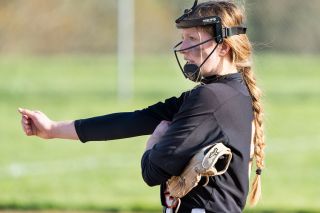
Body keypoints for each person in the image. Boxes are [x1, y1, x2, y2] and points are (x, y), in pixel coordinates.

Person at [19, 0, 266, 212]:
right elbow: (134, 120)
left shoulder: (211, 98)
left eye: (192, 39)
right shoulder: (230, 92)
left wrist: (154, 143)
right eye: (182, 39)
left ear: (223, 47)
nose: (183, 49)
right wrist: (52, 129)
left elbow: (152, 171)